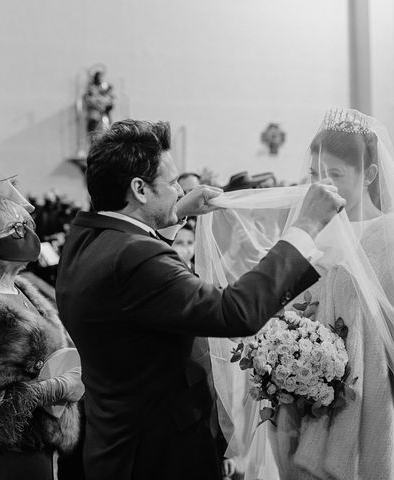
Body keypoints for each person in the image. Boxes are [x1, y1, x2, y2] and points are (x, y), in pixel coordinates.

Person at [54, 119, 345, 480]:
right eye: (172, 182)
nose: (179, 189)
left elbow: (134, 287)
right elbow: (234, 312)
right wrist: (305, 230)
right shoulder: (134, 259)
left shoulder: (85, 239)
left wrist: (175, 214)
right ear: (140, 189)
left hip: (115, 443)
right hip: (159, 454)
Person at [200, 108, 394, 480]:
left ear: (370, 175)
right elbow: (279, 309)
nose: (322, 186)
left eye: (335, 174)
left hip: (371, 403)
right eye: (315, 175)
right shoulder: (309, 234)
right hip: (299, 405)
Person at [0, 186, 84, 480]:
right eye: (15, 228)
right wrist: (55, 388)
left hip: (41, 442)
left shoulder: (24, 289)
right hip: (1, 452)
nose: (26, 234)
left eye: (26, 225)